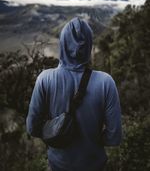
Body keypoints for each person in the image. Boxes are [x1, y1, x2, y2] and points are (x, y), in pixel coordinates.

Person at [26, 17, 122, 171]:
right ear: (89, 45)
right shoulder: (106, 82)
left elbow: (32, 128)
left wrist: (55, 131)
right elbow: (114, 137)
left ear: (63, 44)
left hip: (58, 165)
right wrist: (92, 140)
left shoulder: (45, 79)